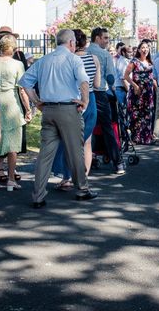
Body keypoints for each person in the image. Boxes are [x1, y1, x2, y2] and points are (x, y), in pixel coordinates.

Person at [19, 28, 97, 207]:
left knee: (45, 155)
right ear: (71, 43)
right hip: (68, 110)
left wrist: (37, 102)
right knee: (75, 152)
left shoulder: (44, 60)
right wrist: (85, 102)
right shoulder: (74, 59)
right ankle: (82, 189)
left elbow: (25, 82)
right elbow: (84, 82)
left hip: (48, 110)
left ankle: (38, 195)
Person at [51, 29, 100, 187]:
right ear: (84, 42)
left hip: (73, 101)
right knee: (86, 142)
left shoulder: (68, 60)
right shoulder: (94, 58)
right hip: (90, 100)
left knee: (68, 141)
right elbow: (97, 85)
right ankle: (83, 177)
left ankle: (67, 178)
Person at [0, 34, 31, 192]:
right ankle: (11, 180)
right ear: (13, 48)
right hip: (11, 104)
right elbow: (22, 90)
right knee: (13, 146)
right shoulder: (18, 64)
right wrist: (27, 109)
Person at [87, 27, 125, 174]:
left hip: (82, 94)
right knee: (107, 127)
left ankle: (86, 160)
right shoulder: (104, 55)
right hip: (100, 93)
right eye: (106, 38)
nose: (108, 41)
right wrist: (114, 91)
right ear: (97, 38)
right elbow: (110, 77)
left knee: (86, 128)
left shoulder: (81, 53)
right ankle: (117, 162)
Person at [124, 41, 156, 144]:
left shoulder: (150, 62)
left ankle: (146, 138)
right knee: (136, 114)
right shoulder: (134, 61)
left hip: (149, 92)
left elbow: (152, 77)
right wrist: (135, 85)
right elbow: (126, 76)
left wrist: (156, 87)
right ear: (138, 50)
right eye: (142, 47)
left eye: (146, 47)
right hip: (137, 92)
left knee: (148, 114)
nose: (145, 49)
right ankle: (136, 138)